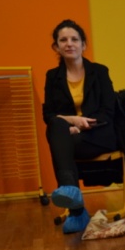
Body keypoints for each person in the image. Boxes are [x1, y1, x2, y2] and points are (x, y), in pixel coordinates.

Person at [42, 19, 118, 234]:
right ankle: (73, 195)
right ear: (56, 47)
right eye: (63, 40)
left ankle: (76, 210)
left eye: (74, 39)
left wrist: (80, 126)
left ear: (83, 45)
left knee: (59, 138)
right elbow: (48, 115)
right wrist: (73, 121)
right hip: (68, 136)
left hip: (98, 134)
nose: (69, 44)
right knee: (56, 125)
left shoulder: (99, 72)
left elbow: (108, 112)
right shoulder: (52, 76)